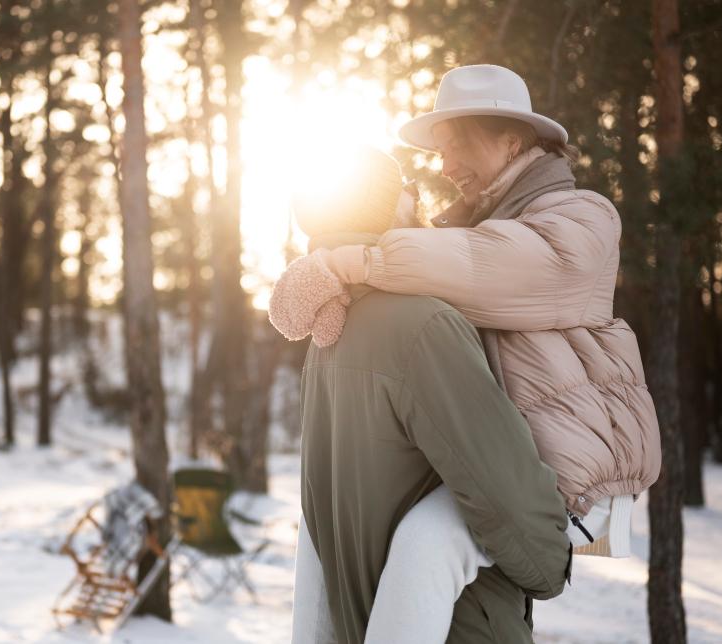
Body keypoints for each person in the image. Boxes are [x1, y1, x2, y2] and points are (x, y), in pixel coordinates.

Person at [273, 64, 662, 642]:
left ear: (512, 139)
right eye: (440, 153)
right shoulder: (461, 235)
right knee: (329, 537)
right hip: (513, 459)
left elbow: (485, 265)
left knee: (427, 543)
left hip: (573, 477)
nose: (444, 167)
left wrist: (346, 263)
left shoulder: (582, 220)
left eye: (457, 148)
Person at [274, 147, 571, 644]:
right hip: (457, 625)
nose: (416, 195)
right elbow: (500, 482)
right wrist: (551, 561)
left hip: (368, 620)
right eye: (403, 189)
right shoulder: (422, 324)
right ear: (384, 209)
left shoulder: (331, 332)